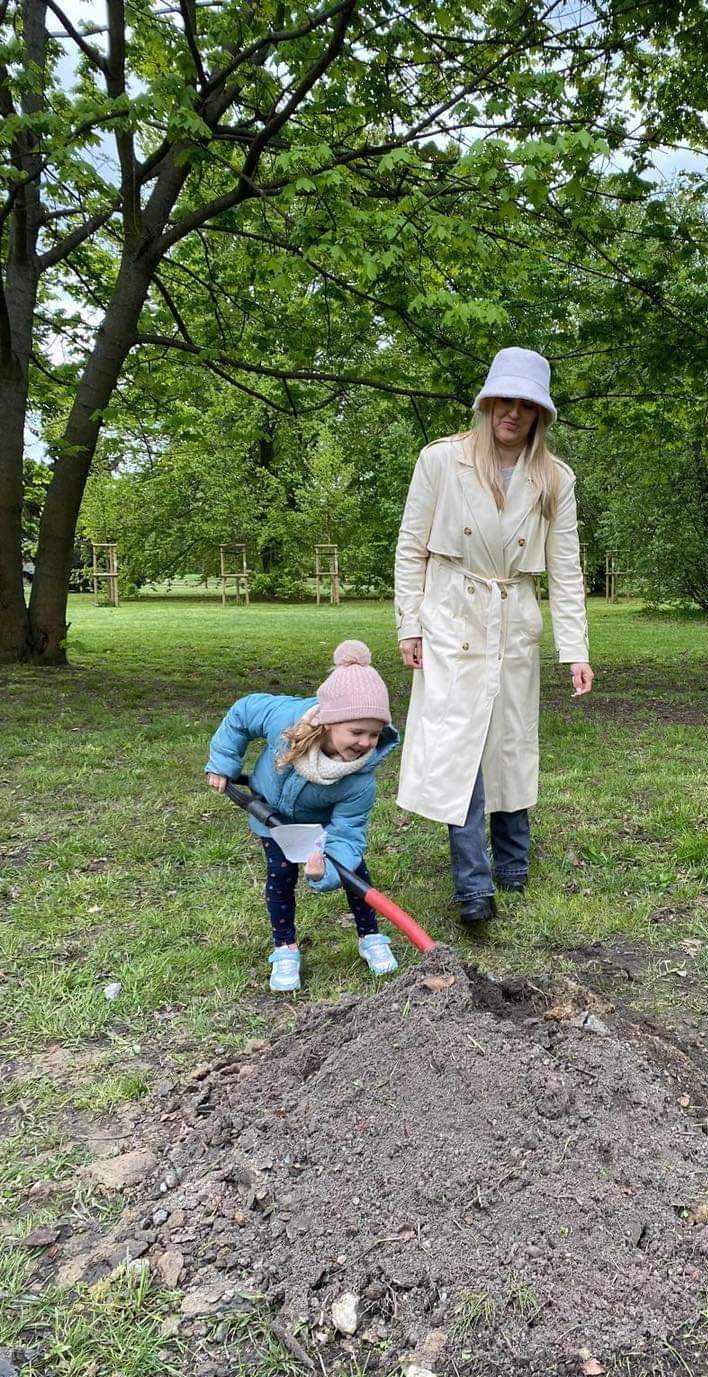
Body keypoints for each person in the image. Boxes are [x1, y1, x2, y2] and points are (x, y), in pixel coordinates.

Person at [394, 346, 594, 926]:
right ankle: (473, 886)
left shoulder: (555, 479)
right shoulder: (440, 460)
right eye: (503, 400)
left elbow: (566, 568)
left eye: (525, 405)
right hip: (452, 617)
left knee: (510, 745)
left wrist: (574, 649)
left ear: (539, 414)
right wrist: (409, 622)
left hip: (514, 619)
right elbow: (411, 546)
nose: (512, 413)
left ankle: (513, 864)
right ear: (487, 403)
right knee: (460, 748)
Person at [205, 641, 400, 992]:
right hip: (271, 817)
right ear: (328, 723)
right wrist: (223, 762)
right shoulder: (285, 719)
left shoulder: (359, 781)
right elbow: (242, 712)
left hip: (322, 827)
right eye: (357, 732)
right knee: (280, 878)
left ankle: (370, 936)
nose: (366, 743)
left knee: (353, 871)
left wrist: (326, 870)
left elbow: (348, 832)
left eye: (374, 733)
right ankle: (285, 948)